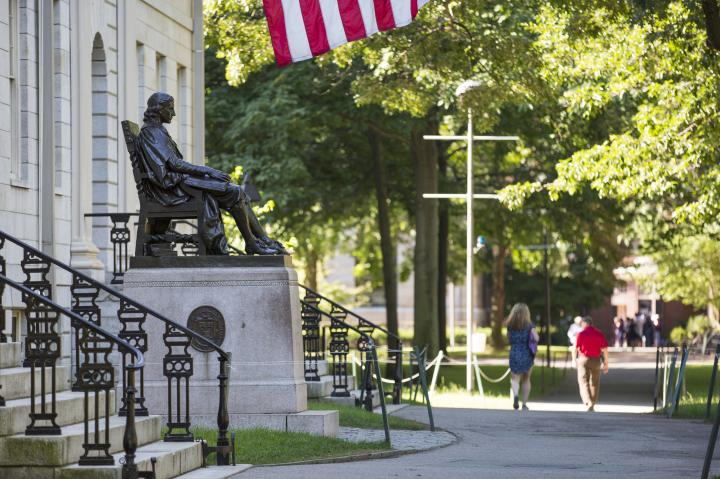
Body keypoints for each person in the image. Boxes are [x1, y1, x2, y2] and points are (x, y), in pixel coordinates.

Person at [136, 92, 288, 255]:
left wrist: (207, 173)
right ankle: (253, 242)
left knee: (237, 192)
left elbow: (173, 163)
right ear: (159, 110)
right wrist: (209, 170)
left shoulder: (157, 131)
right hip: (169, 189)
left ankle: (261, 240)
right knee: (235, 191)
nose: (173, 113)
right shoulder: (151, 132)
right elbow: (173, 164)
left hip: (178, 183)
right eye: (170, 109)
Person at [506, 303, 539, 411]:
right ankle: (524, 404)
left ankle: (515, 395)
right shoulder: (530, 325)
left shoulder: (510, 325)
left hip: (514, 353)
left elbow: (509, 339)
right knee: (526, 379)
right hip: (527, 354)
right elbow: (536, 338)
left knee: (515, 378)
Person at [573, 316, 609, 411]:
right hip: (596, 360)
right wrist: (606, 363)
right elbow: (605, 349)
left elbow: (575, 348)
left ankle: (588, 401)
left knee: (583, 381)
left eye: (582, 324)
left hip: (583, 359)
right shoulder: (599, 333)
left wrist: (574, 360)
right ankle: (592, 403)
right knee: (594, 383)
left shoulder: (581, 334)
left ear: (585, 324)